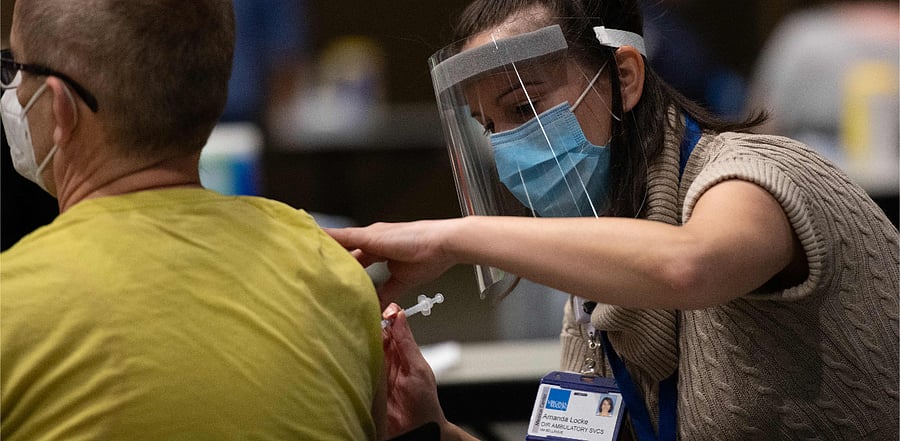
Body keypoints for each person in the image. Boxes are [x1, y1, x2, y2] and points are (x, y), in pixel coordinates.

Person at [327, 0, 900, 439]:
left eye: (524, 108)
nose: (506, 148)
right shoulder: (596, 298)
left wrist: (454, 238)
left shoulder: (750, 177)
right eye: (488, 126)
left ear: (624, 76)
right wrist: (436, 432)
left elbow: (689, 265)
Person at [0, 1, 384, 440]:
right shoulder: (333, 274)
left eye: (15, 67)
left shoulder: (11, 306)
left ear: (59, 108)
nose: (9, 89)